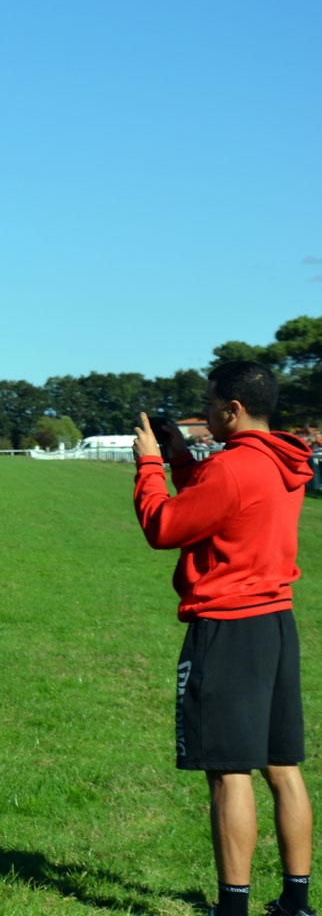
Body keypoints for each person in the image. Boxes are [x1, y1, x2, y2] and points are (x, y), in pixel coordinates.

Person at [134, 360, 315, 916]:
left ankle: (232, 908)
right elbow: (220, 504)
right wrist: (184, 458)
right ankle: (296, 902)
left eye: (211, 404)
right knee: (283, 768)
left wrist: (148, 465)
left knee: (229, 772)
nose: (205, 414)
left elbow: (164, 526)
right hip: (275, 622)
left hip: (229, 626)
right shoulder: (283, 461)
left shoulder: (233, 468)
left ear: (234, 408)